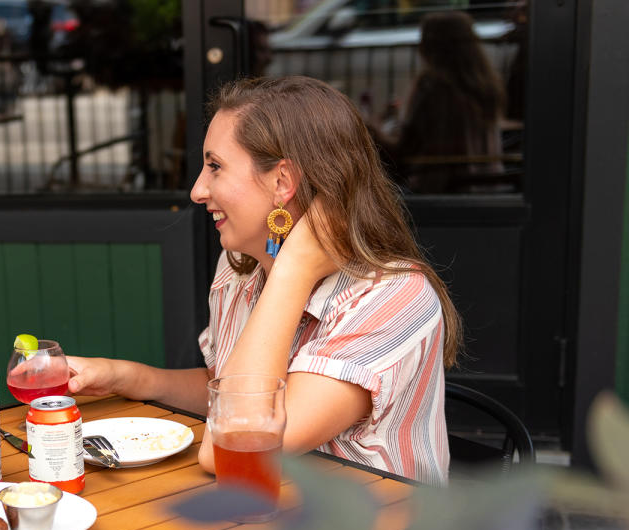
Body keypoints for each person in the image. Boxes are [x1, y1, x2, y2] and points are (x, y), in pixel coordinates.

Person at [67, 76, 462, 486]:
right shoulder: (240, 267)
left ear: (283, 183)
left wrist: (293, 270)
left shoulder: (393, 297)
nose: (197, 190)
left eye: (215, 166)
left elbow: (234, 447)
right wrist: (127, 377)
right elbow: (228, 388)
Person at [375, 11, 507, 193]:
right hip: (488, 190)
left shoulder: (432, 87)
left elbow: (402, 154)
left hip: (440, 191)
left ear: (432, 46)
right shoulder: (486, 87)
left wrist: (370, 129)